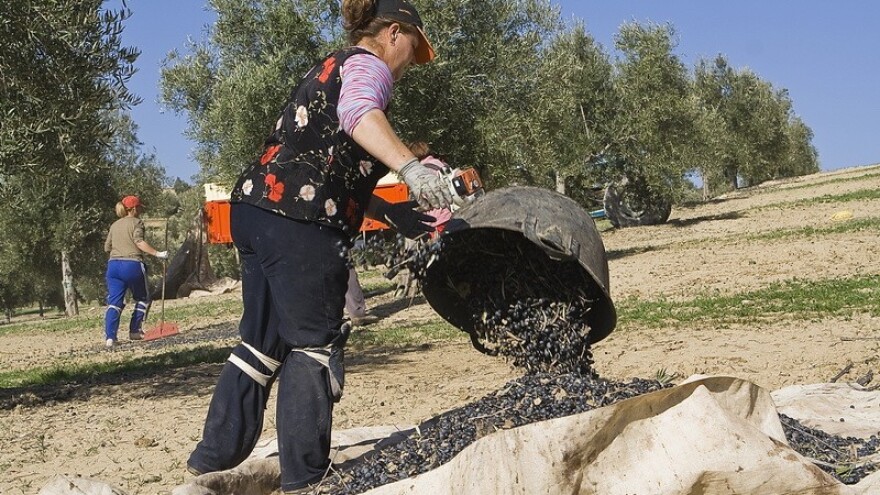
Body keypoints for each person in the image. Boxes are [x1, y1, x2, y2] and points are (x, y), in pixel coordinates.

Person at [186, 0, 452, 492]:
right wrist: (409, 169)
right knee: (314, 345)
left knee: (260, 344)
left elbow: (327, 162)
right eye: (413, 50)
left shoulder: (329, 64)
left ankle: (212, 462)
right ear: (394, 33)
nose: (410, 64)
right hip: (299, 223)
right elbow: (357, 115)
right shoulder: (369, 67)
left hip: (254, 208)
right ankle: (306, 481)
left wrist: (387, 210)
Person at [103, 195, 168, 348]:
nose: (141, 210)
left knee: (115, 302)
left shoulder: (114, 225)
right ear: (133, 209)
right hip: (132, 265)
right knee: (143, 298)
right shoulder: (137, 222)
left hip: (113, 266)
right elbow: (139, 242)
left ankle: (110, 337)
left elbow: (107, 247)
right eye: (139, 207)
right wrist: (158, 253)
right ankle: (135, 331)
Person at [408, 141, 454, 235]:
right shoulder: (442, 165)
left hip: (437, 220)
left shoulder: (423, 170)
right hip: (451, 214)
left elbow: (422, 200)